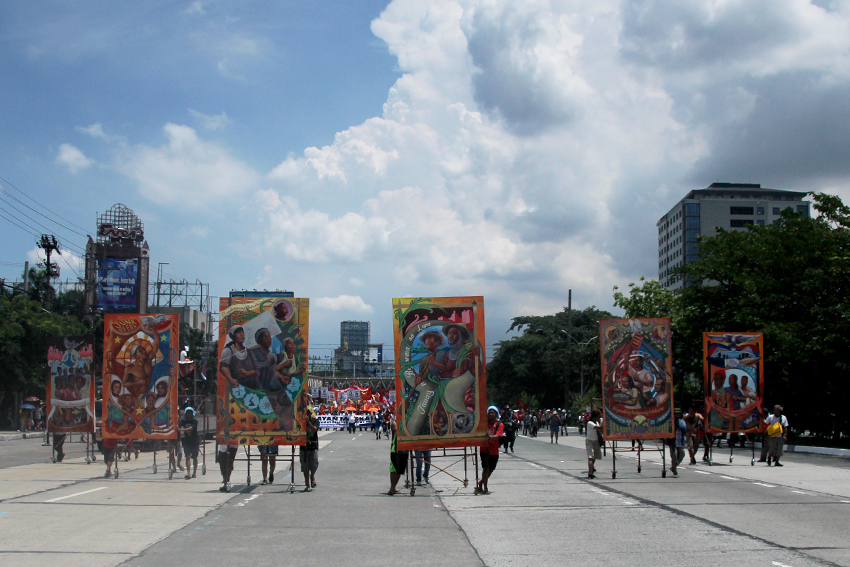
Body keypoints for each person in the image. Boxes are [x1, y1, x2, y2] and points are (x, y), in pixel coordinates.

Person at [219, 326, 259, 390]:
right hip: (238, 389)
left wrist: (248, 373)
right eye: (238, 333)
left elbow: (259, 369)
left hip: (253, 389)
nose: (242, 335)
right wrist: (231, 379)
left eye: (242, 332)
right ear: (233, 336)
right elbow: (223, 367)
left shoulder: (249, 352)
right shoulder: (228, 350)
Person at [475, 406, 504, 495]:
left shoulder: (499, 424)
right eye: (490, 412)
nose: (491, 414)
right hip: (484, 449)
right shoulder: (484, 423)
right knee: (486, 468)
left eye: (493, 412)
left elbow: (498, 436)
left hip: (494, 450)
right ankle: (485, 488)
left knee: (491, 469)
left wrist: (489, 436)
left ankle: (481, 483)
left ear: (496, 414)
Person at [387, 414, 409, 495]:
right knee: (393, 470)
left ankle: (394, 487)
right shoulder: (395, 423)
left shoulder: (408, 423)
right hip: (395, 449)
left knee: (400, 470)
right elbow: (394, 427)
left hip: (404, 449)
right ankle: (392, 488)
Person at [301, 407, 320, 491]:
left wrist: (308, 422)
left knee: (314, 465)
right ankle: (307, 484)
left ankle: (312, 476)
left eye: (308, 413)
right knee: (305, 467)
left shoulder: (315, 421)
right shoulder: (301, 422)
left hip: (313, 446)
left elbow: (314, 430)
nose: (306, 414)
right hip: (303, 447)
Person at [179, 407, 199, 479]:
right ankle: (188, 473)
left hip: (195, 441)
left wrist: (182, 429)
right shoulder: (183, 422)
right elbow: (178, 425)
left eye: (190, 413)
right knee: (187, 456)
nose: (189, 414)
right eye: (187, 413)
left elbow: (191, 428)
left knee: (195, 457)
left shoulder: (195, 421)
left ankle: (194, 472)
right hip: (187, 441)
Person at [669, 409, 687, 477]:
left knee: (682, 454)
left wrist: (677, 423)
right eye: (675, 414)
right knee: (674, 456)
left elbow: (684, 428)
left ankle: (673, 467)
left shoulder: (681, 422)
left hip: (680, 441)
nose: (676, 415)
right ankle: (675, 472)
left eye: (678, 414)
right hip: (673, 442)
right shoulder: (670, 422)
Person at [585, 410, 603, 479]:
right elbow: (598, 428)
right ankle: (590, 473)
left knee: (594, 457)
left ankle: (592, 468)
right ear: (594, 417)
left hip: (596, 441)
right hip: (590, 441)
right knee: (590, 457)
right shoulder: (590, 423)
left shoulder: (596, 423)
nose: (599, 418)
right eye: (598, 417)